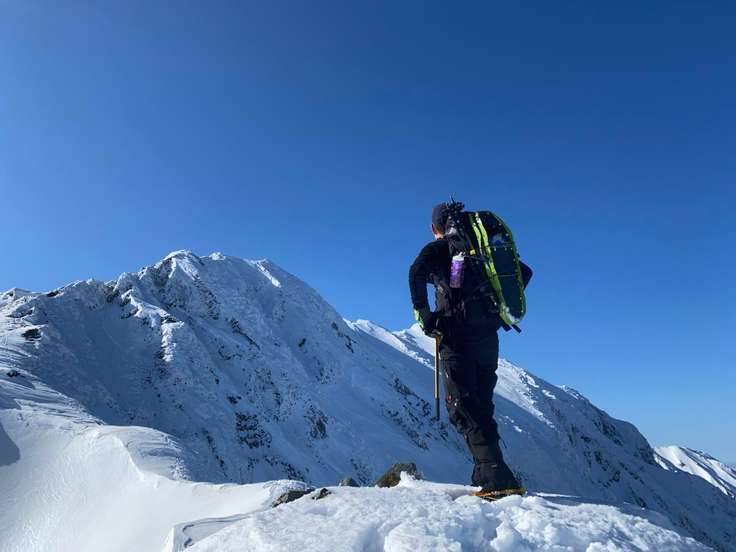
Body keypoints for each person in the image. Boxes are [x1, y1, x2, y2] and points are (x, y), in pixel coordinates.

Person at [408, 201, 532, 496]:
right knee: (481, 405)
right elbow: (525, 272)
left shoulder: (439, 249)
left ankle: (496, 478)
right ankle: (482, 472)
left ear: (434, 227)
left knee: (462, 407)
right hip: (488, 337)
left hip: (455, 337)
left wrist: (425, 316)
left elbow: (415, 273)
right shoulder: (481, 249)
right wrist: (491, 307)